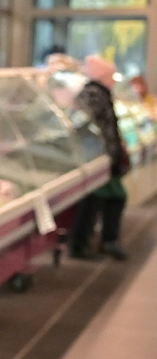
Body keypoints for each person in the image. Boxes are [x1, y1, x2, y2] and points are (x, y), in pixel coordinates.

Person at [68, 55, 130, 260]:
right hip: (95, 157)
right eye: (111, 75)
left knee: (104, 198)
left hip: (100, 156)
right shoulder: (94, 94)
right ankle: (84, 245)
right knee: (96, 199)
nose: (114, 79)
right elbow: (88, 125)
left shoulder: (98, 93)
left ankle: (102, 241)